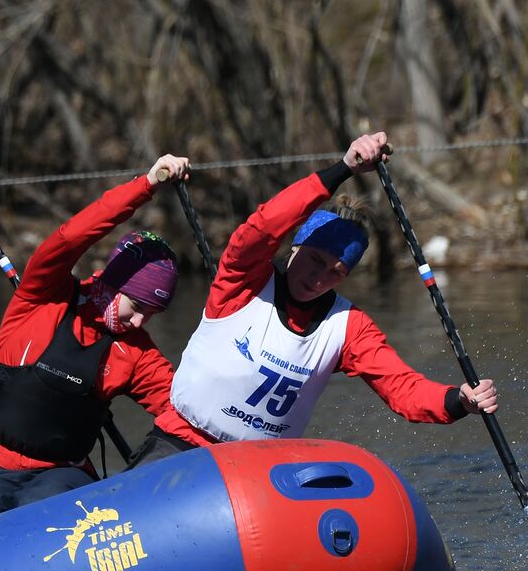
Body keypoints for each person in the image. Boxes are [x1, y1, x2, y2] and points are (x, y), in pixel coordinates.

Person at [135, 131, 499, 466]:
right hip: (179, 444)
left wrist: (459, 400)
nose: (319, 277)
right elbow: (264, 225)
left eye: (336, 271)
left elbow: (402, 388)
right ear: (295, 248)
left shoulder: (348, 327)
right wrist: (343, 169)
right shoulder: (243, 281)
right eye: (315, 260)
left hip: (256, 471)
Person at [0, 154, 190, 526]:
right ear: (112, 282)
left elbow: (186, 411)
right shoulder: (43, 295)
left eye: (152, 314)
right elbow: (72, 236)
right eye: (136, 305)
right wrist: (146, 185)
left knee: (43, 515)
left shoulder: (137, 353)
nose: (140, 321)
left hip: (59, 475)